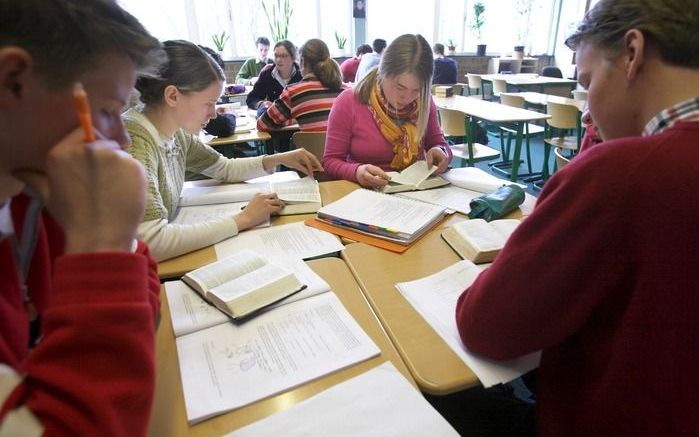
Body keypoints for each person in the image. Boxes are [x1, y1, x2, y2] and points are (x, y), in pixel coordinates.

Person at [455, 0, 699, 435]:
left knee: (447, 400)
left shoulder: (623, 173)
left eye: (587, 83)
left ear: (631, 54)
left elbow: (485, 325)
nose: (586, 110)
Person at [0, 0, 164, 434]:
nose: (124, 139)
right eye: (108, 111)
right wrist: (101, 248)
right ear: (12, 81)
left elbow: (142, 315)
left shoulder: (39, 196)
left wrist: (111, 240)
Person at [125, 40, 322, 262]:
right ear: (172, 96)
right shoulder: (134, 142)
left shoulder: (175, 133)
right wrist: (242, 220)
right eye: (209, 103)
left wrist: (278, 158)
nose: (214, 114)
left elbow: (223, 167)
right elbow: (150, 241)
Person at [323, 34, 452, 188]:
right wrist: (356, 171)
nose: (407, 97)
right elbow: (330, 161)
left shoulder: (424, 100)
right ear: (382, 72)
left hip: (414, 192)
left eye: (416, 90)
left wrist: (440, 151)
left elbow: (439, 144)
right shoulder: (349, 101)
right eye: (400, 87)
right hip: (364, 194)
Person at [258, 39, 347, 132]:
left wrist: (295, 120)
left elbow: (262, 125)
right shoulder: (347, 91)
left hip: (309, 146)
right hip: (341, 146)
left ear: (302, 61)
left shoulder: (293, 92)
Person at [246, 40, 302, 110]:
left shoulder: (302, 75)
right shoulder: (267, 74)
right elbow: (251, 98)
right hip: (275, 117)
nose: (278, 60)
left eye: (283, 56)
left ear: (293, 58)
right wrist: (262, 104)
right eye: (276, 56)